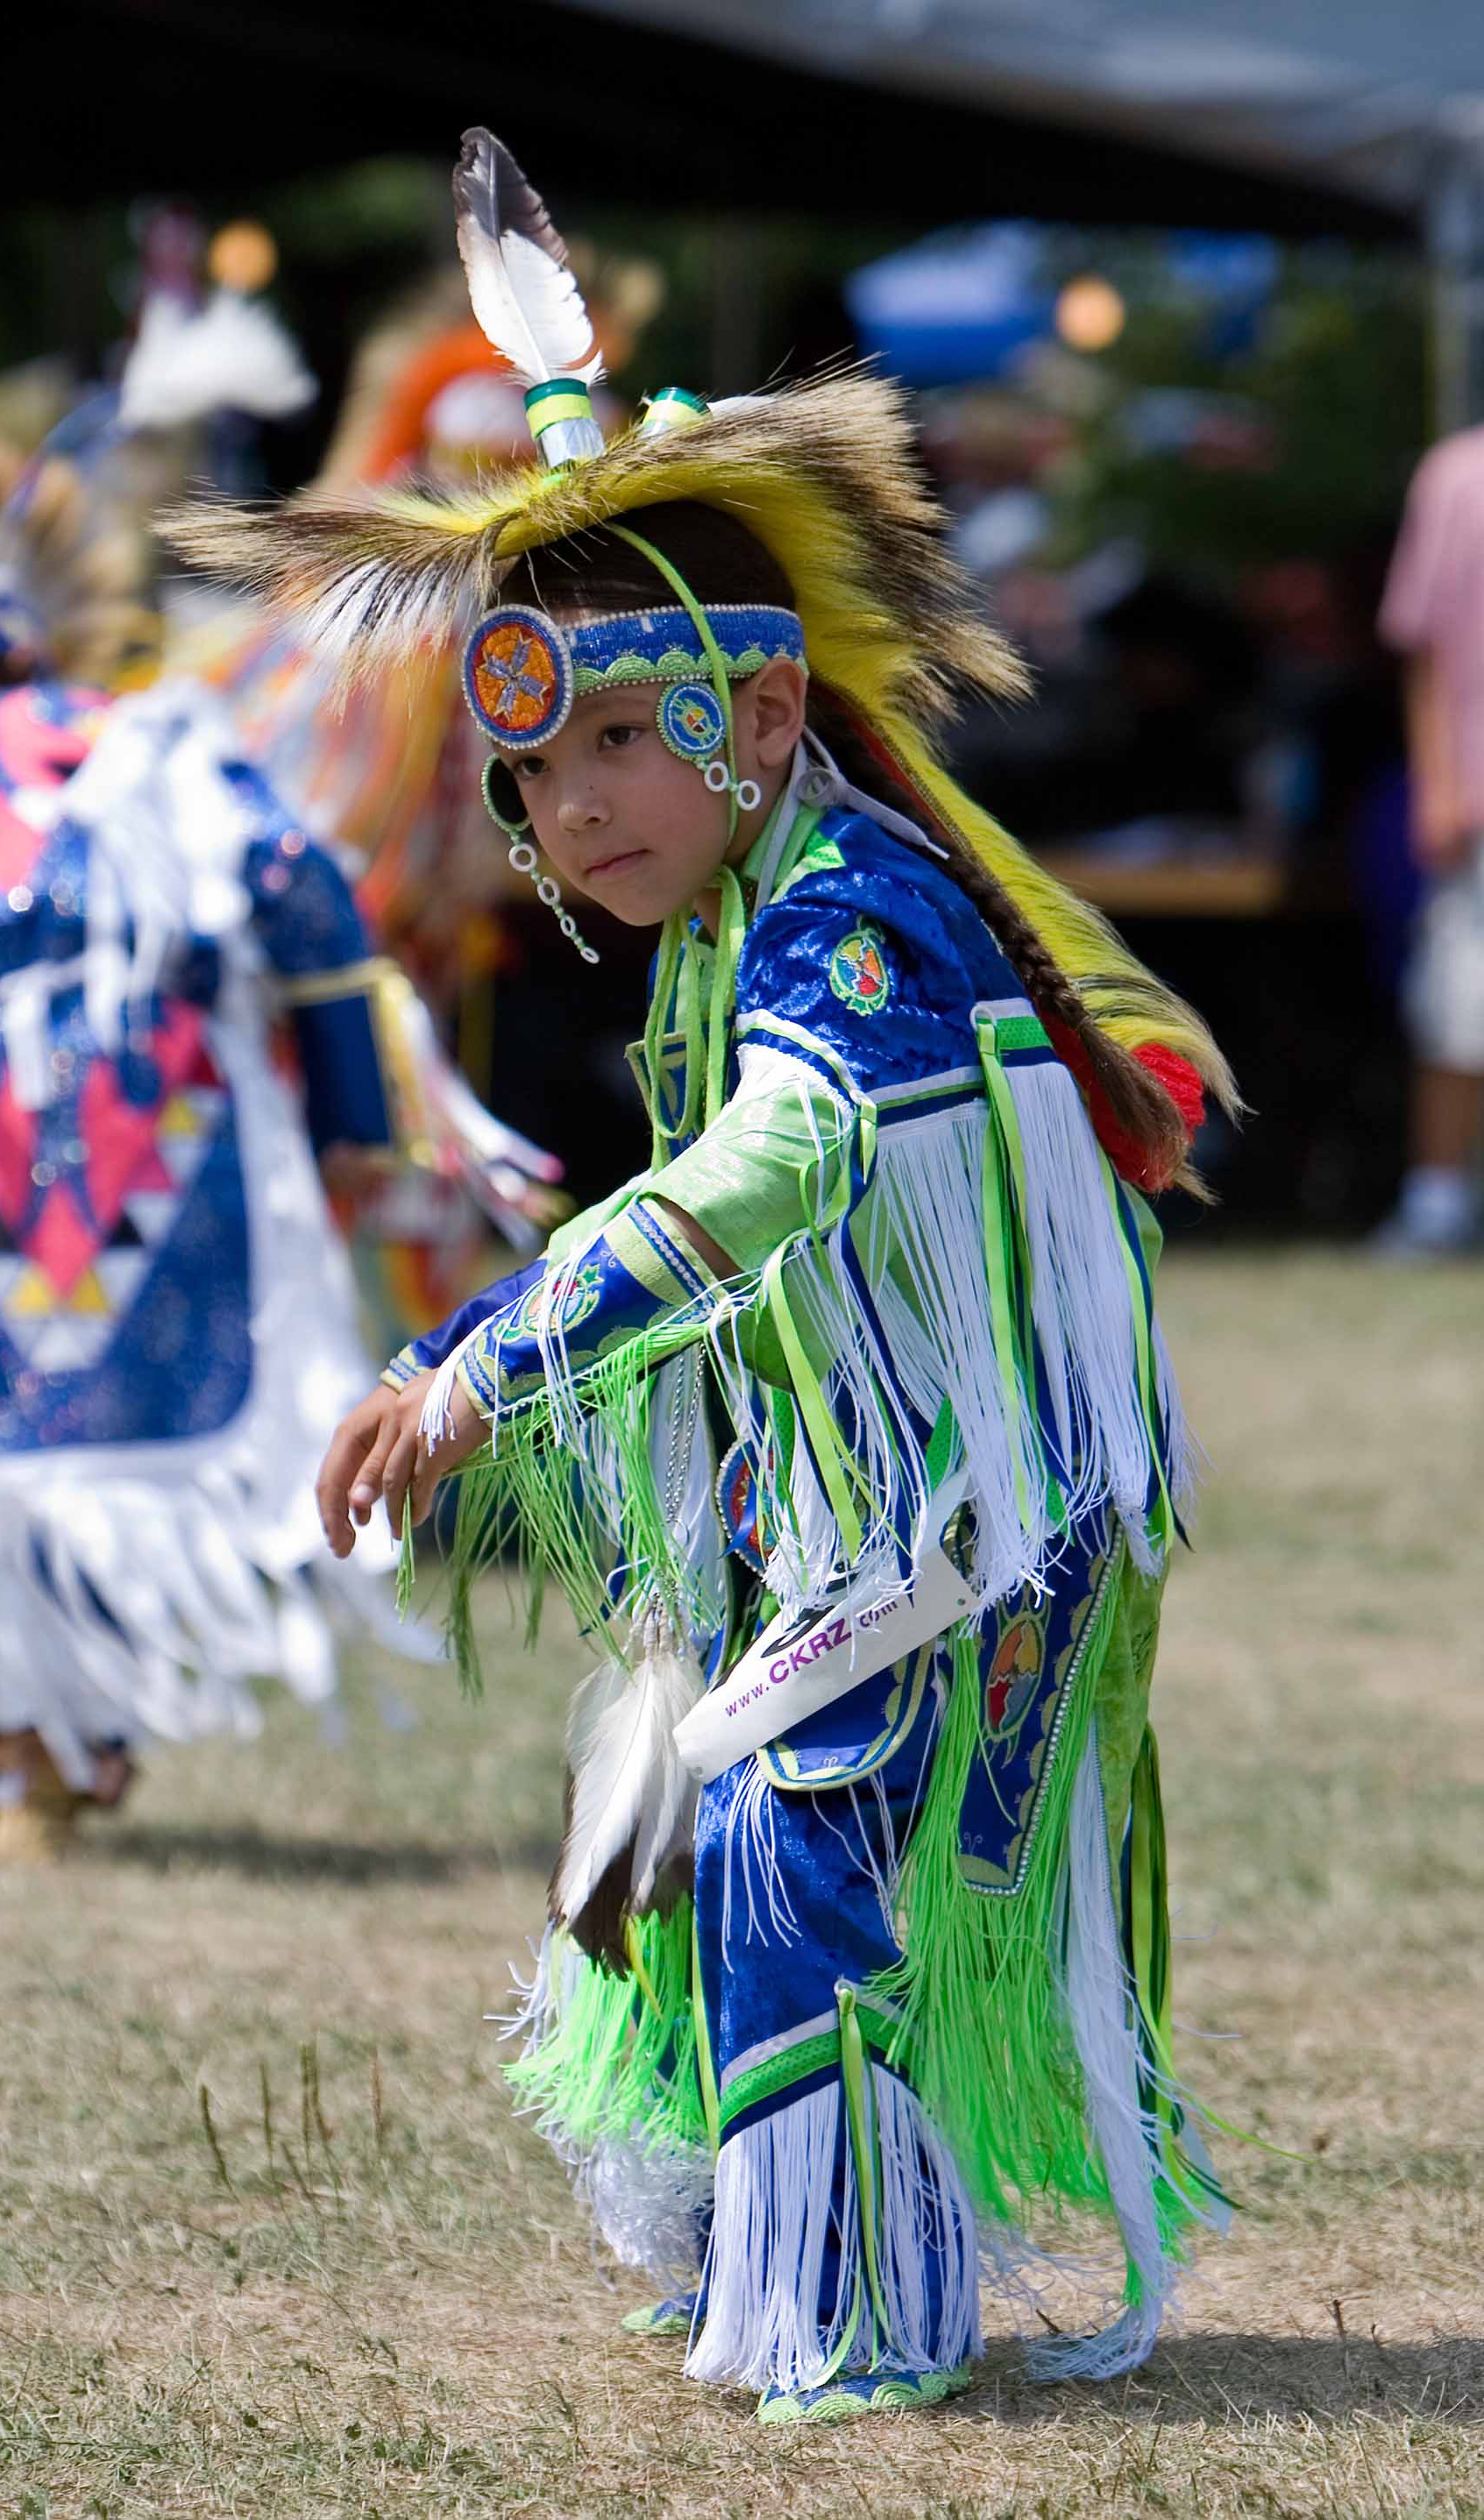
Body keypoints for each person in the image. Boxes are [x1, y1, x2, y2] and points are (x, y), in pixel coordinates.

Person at [186, 131, 1235, 2423]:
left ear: (764, 719)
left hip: (977, 1509)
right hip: (850, 1491)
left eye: (631, 750)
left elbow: (769, 1171)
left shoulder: (850, 917)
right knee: (657, 1819)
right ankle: (751, 2227)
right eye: (537, 778)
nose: (581, 818)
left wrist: (477, 1376)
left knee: (783, 1815)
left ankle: (855, 2292)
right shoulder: (737, 910)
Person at [0, 414, 432, 1859]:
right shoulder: (153, 756)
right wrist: (358, 1121)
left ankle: (33, 1736)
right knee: (68, 1485)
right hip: (170, 1189)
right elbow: (308, 900)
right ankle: (43, 1732)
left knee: (25, 1481)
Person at [1374, 426, 1484, 1253]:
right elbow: (1423, 648)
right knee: (1455, 1011)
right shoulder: (1456, 472)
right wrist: (1437, 784)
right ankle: (1438, 1201)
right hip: (1475, 798)